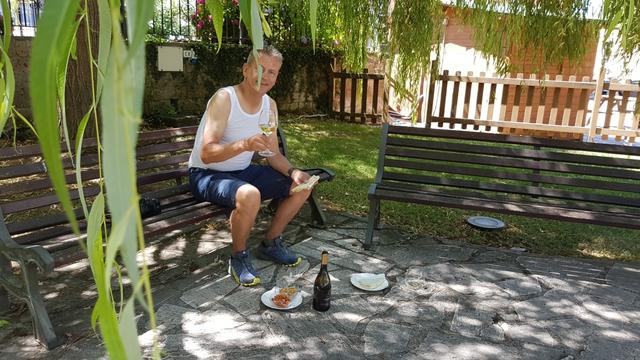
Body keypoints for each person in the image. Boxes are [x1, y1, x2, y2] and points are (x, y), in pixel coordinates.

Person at [188, 46, 313, 287]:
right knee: (250, 194)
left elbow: (272, 154)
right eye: (260, 69)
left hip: (241, 172)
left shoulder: (270, 106)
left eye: (272, 72)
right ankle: (238, 257)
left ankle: (270, 242)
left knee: (303, 186)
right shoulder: (225, 99)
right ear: (246, 70)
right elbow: (206, 154)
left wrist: (293, 172)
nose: (265, 77)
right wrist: (244, 144)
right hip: (206, 174)